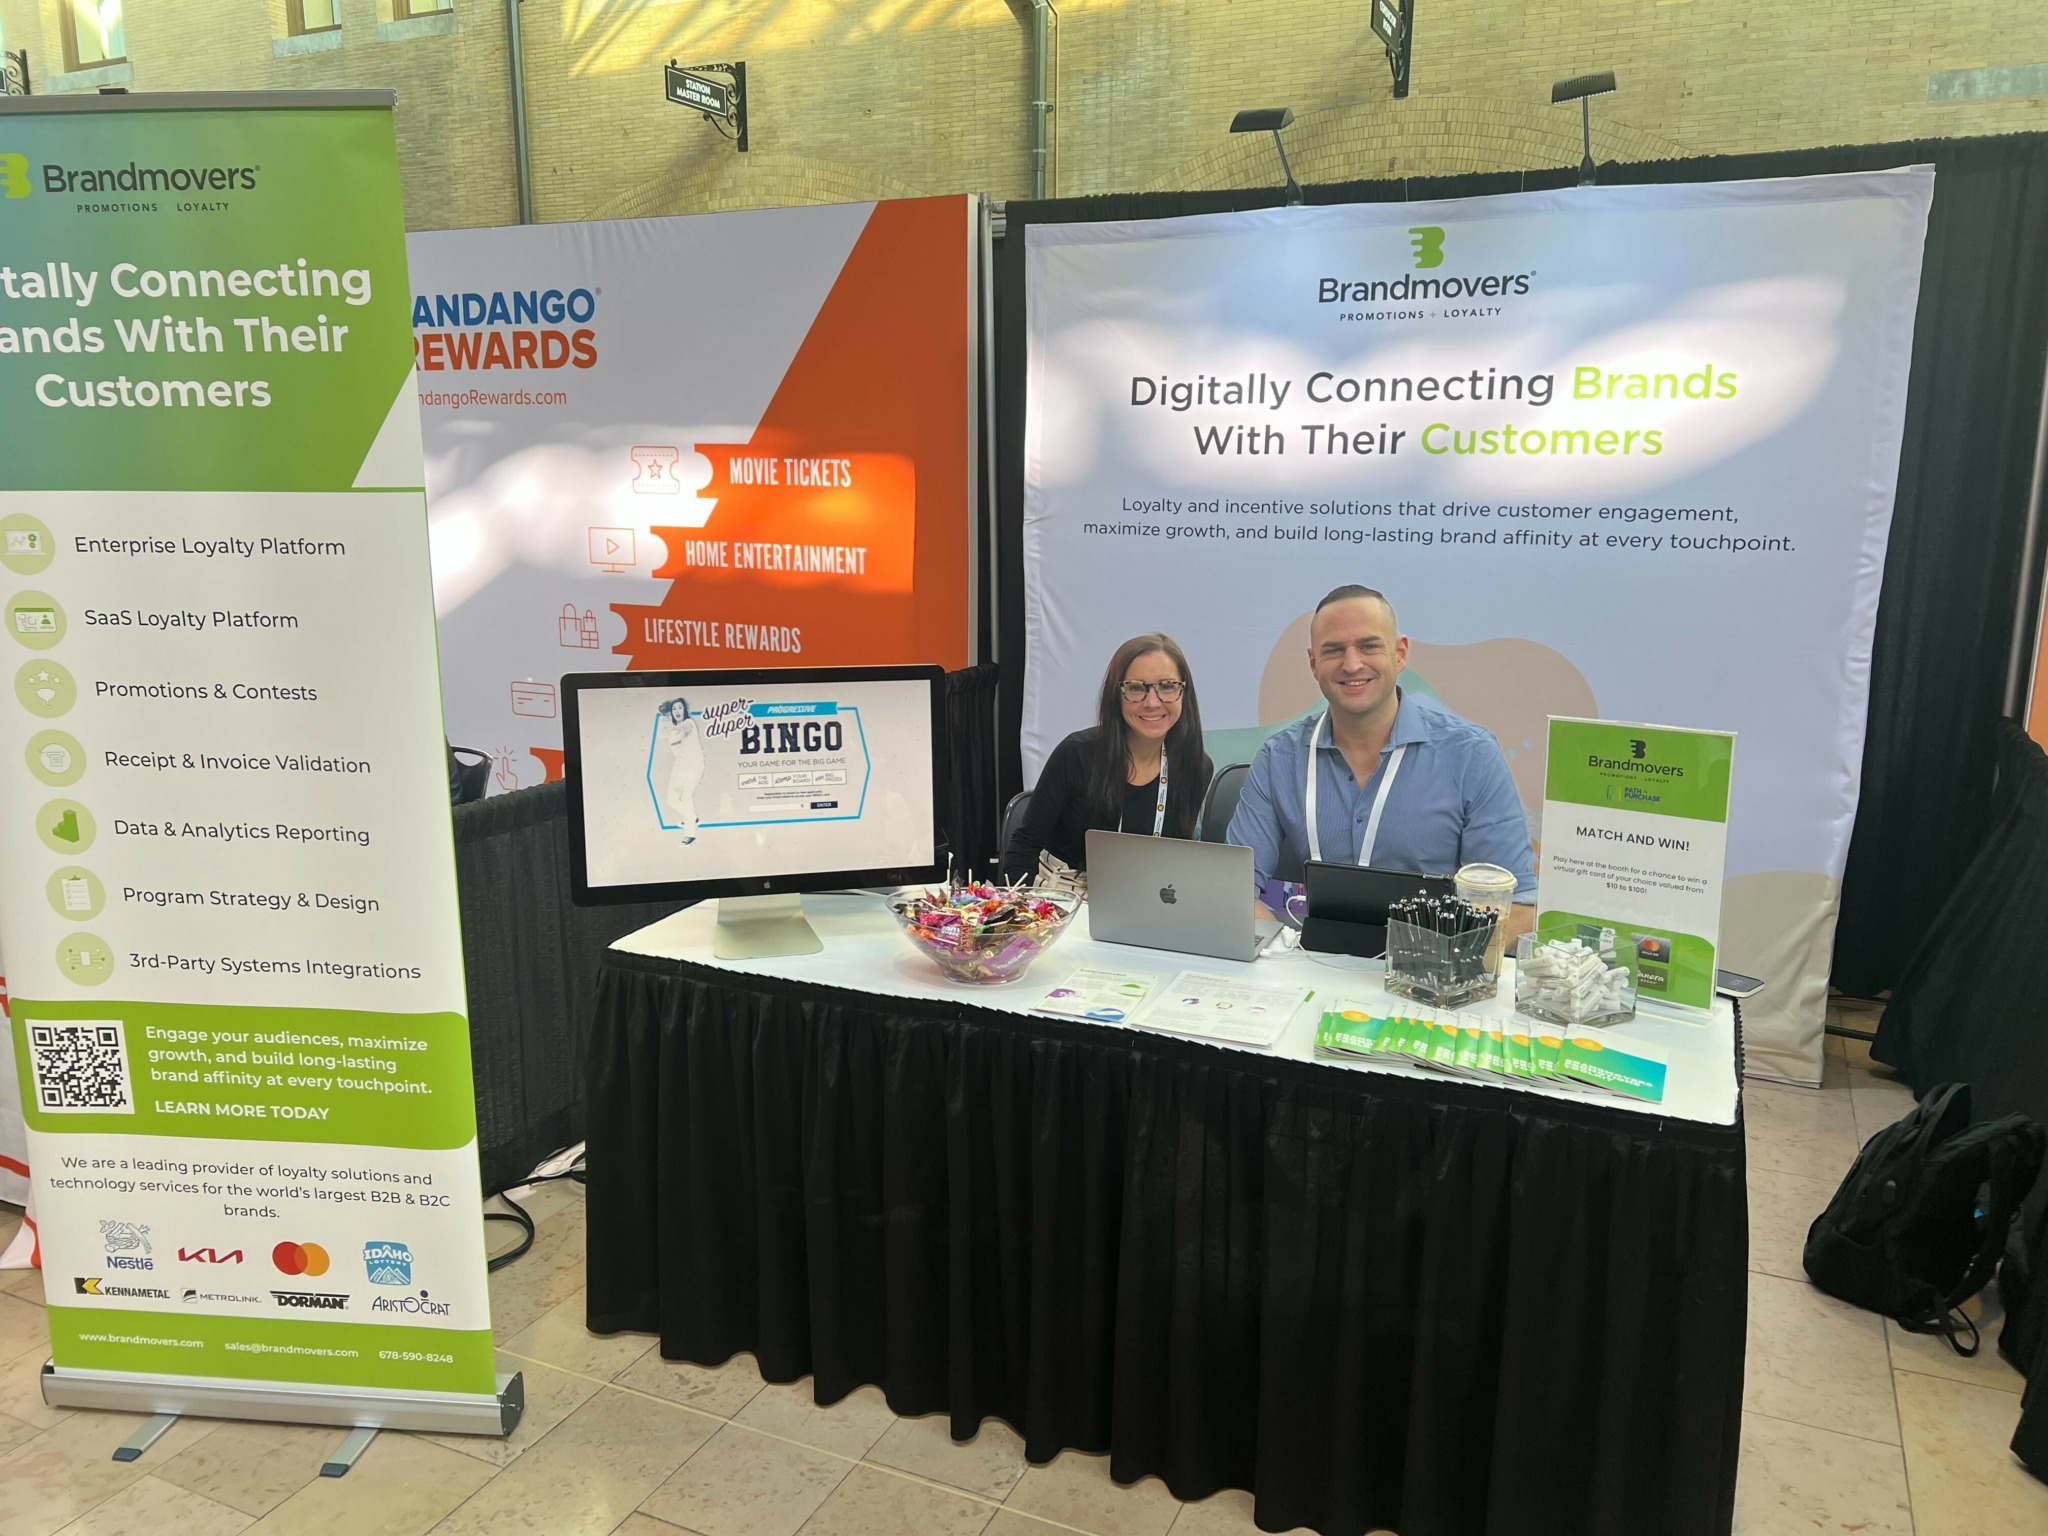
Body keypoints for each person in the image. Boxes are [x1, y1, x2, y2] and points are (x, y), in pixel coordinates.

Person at [1226, 584, 1537, 935]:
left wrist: (1428, 958)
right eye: (1334, 650)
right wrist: (1287, 948)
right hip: (1312, 959)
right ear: (1313, 663)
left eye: (1369, 646)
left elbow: (1517, 910)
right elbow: (1231, 889)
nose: (1352, 664)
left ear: (1400, 654)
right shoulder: (1279, 758)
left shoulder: (1471, 755)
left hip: (1429, 963)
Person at [1003, 633, 1214, 883]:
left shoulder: (1195, 767)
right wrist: (1026, 906)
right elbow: (1024, 847)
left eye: (1167, 686)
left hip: (1144, 893)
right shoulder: (1076, 754)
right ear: (1116, 695)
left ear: (1184, 693)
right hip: (1062, 892)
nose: (1152, 702)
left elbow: (1176, 860)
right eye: (1136, 688)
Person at [659, 696, 705, 844]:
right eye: (674, 709)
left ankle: (690, 833)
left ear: (685, 710)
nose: (677, 710)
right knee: (671, 799)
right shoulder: (672, 731)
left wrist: (670, 724)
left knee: (686, 796)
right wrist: (664, 718)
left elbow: (681, 727)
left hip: (694, 764)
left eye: (680, 707)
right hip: (680, 765)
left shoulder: (689, 723)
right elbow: (661, 734)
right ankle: (691, 816)